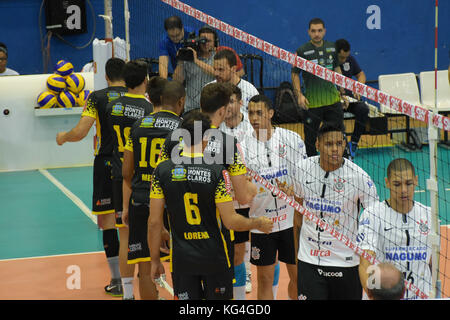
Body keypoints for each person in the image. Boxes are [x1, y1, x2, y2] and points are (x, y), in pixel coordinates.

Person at [148, 111, 273, 300]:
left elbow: (154, 222)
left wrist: (155, 260)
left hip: (182, 260)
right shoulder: (217, 171)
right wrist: (257, 224)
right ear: (207, 137)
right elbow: (230, 221)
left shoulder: (162, 170)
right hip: (215, 257)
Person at [56, 57, 127, 297]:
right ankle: (149, 276)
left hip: (106, 164)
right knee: (133, 221)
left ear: (106, 76)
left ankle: (117, 281)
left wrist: (63, 136)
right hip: (131, 165)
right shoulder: (138, 99)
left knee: (107, 223)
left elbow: (81, 131)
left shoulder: (96, 98)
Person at [284, 122, 379, 300]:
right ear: (318, 145)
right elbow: (298, 216)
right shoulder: (302, 169)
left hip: (346, 262)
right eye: (328, 144)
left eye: (339, 143)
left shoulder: (360, 178)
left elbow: (375, 224)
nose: (335, 149)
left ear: (345, 144)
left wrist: (372, 271)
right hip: (309, 260)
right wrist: (298, 257)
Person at [121, 78, 183, 300]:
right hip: (172, 204)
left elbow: (126, 172)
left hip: (141, 199)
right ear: (180, 101)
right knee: (180, 266)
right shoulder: (184, 127)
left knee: (145, 269)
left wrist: (128, 202)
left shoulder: (138, 126)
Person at [243, 94, 306, 300]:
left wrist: (294, 192)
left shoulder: (292, 140)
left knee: (298, 277)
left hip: (291, 221)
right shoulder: (242, 147)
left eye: (259, 113)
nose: (254, 118)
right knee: (264, 280)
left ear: (270, 114)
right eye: (251, 113)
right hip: (262, 223)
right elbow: (241, 188)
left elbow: (305, 179)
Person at [106, 60, 154, 300]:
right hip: (143, 179)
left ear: (125, 81)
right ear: (145, 80)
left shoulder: (112, 107)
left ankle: (127, 294)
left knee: (124, 236)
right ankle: (150, 288)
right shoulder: (148, 109)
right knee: (147, 235)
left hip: (118, 176)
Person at [358, 158, 433, 300]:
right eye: (397, 184)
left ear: (416, 180)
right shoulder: (373, 214)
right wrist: (373, 295)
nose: (403, 190)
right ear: (387, 183)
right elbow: (365, 263)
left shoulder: (428, 214)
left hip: (421, 296)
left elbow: (432, 262)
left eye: (409, 183)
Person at [218, 84, 255, 299]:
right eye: (225, 102)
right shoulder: (215, 130)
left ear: (241, 103)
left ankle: (245, 276)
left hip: (244, 196)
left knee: (242, 245)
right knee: (227, 248)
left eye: (232, 101)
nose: (229, 107)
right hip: (223, 197)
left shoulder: (251, 129)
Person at [291, 18, 344, 157]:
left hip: (333, 102)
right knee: (310, 141)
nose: (317, 34)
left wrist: (342, 92)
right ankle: (312, 170)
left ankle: (341, 164)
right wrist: (299, 95)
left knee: (338, 137)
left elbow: (337, 69)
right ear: (309, 32)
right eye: (313, 31)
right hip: (312, 104)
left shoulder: (332, 48)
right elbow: (295, 74)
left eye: (319, 30)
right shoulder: (302, 51)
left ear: (324, 31)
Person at [335, 38, 370, 160]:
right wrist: (339, 96)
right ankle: (343, 145)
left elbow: (361, 74)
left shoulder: (350, 59)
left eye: (346, 57)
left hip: (350, 99)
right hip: (334, 101)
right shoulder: (328, 62)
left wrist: (358, 88)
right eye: (341, 57)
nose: (344, 60)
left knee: (363, 109)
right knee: (336, 112)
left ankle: (353, 143)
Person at [213, 49, 259, 116]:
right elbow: (198, 117)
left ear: (233, 69)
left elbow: (260, 120)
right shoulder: (208, 89)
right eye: (214, 69)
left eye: (221, 69)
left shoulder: (250, 90)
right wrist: (197, 127)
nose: (216, 73)